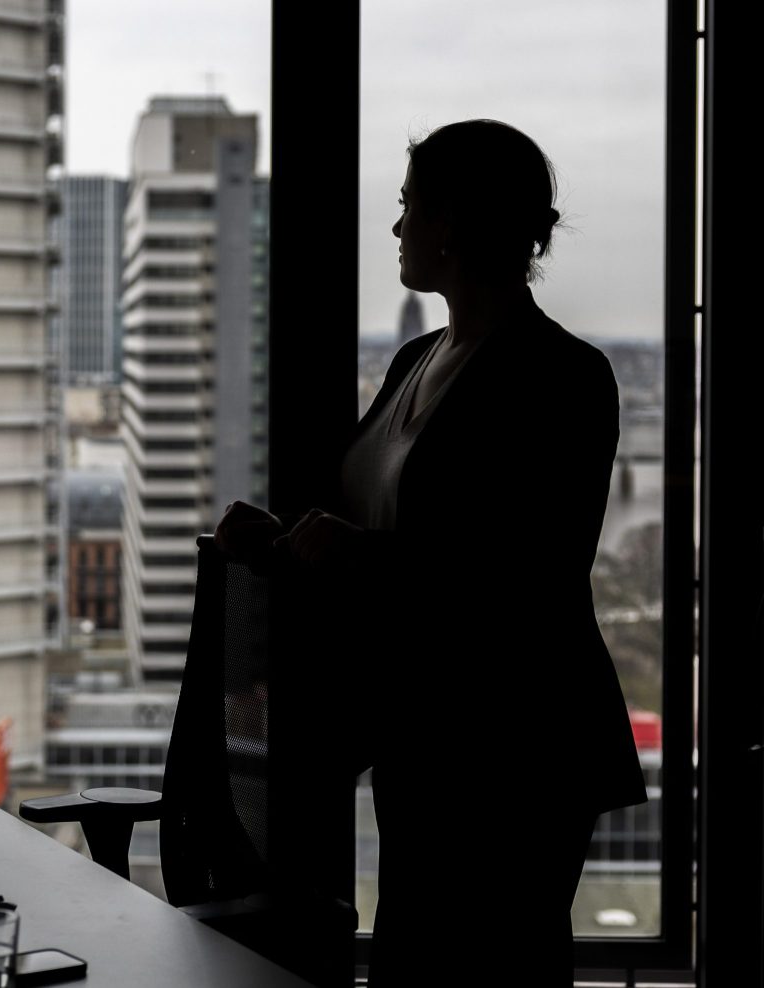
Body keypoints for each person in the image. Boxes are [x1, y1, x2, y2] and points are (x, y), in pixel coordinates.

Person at [216, 119, 646, 986]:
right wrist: (286, 537)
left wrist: (356, 556)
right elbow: (378, 519)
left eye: (409, 205)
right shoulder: (417, 356)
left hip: (515, 752)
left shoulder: (564, 377)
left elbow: (526, 578)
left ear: (452, 222)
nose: (396, 226)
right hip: (423, 740)